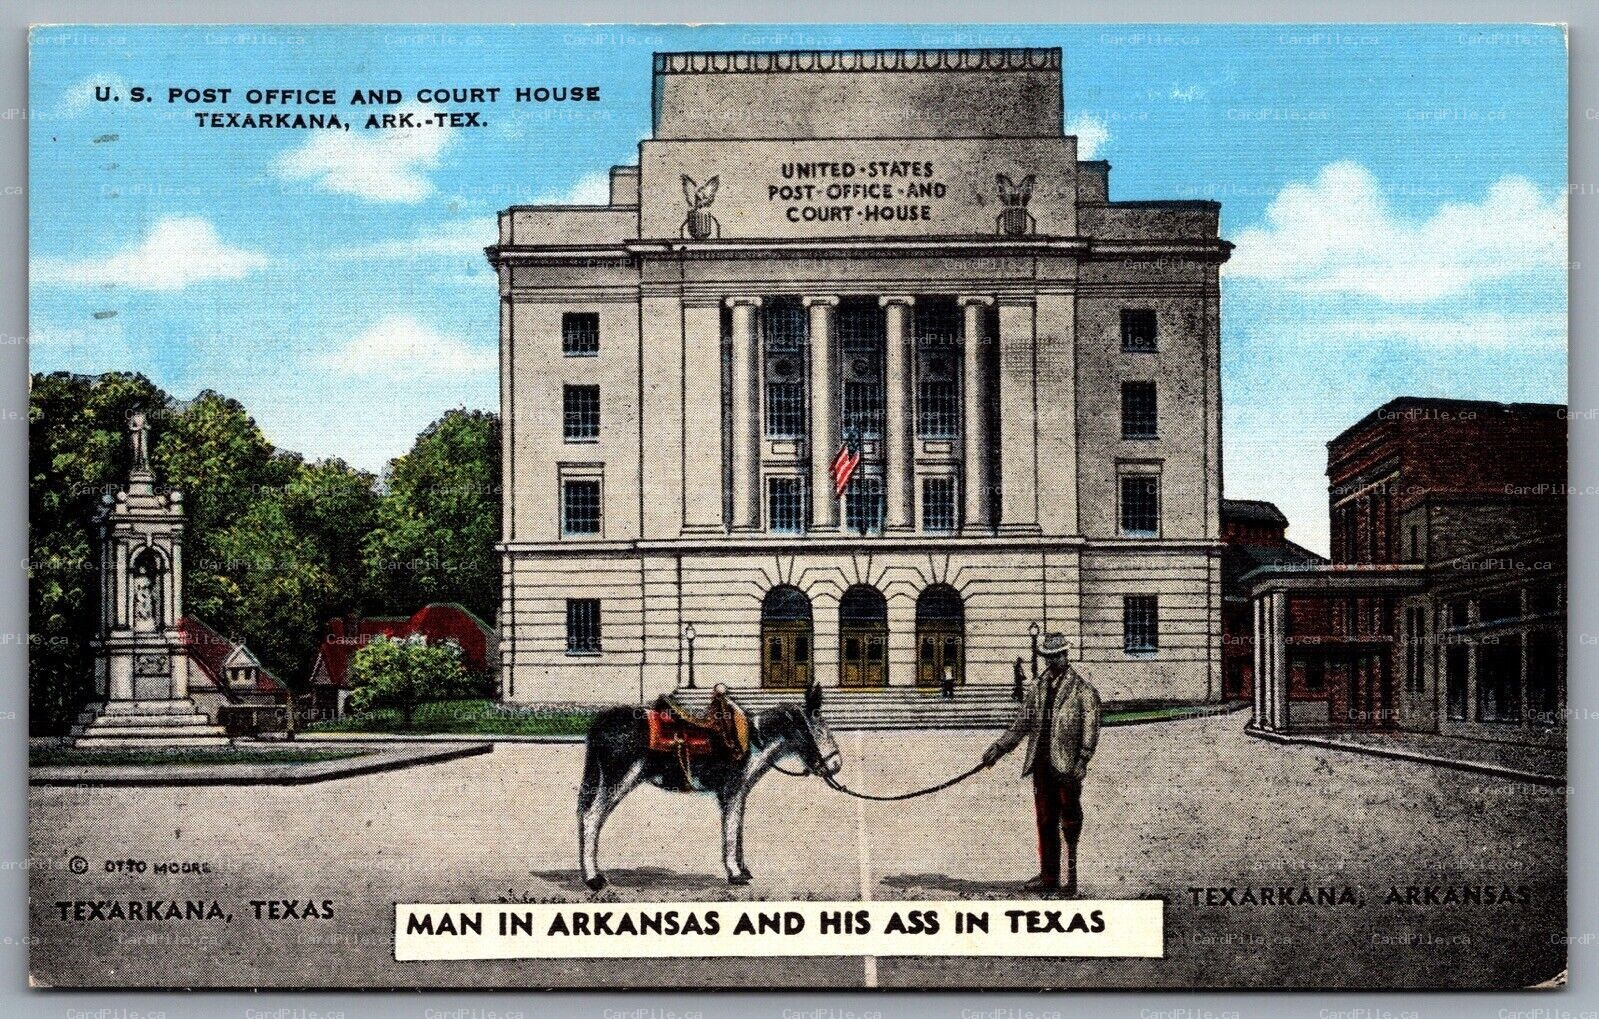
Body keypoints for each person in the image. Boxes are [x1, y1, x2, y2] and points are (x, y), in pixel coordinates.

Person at [982, 632, 1101, 895]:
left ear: (1066, 655)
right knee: (1045, 820)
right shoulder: (1037, 687)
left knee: (1070, 822)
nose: (1053, 660)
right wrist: (999, 748)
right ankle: (1049, 877)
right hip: (1041, 764)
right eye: (1048, 656)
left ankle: (1071, 878)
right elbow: (1022, 724)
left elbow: (1090, 730)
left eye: (1057, 655)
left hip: (1067, 766)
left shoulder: (1083, 690)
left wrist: (1082, 760)